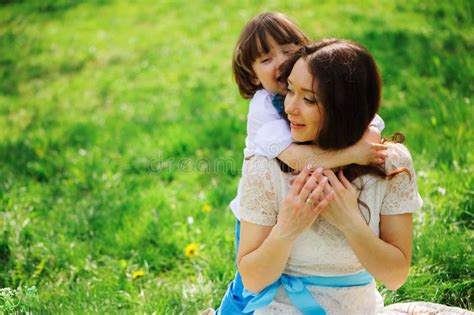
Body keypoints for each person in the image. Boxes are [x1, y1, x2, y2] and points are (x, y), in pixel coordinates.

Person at [211, 13, 388, 315]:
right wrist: (354, 154)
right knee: (251, 285)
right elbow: (295, 158)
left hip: (299, 196)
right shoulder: (263, 110)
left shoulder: (324, 88)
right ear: (253, 76)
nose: (280, 61)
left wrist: (367, 135)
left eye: (288, 47)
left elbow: (371, 123)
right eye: (266, 59)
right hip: (261, 208)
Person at [235, 39, 424, 314]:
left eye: (308, 99)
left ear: (344, 106)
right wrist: (287, 229)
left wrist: (350, 223)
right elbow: (251, 280)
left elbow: (395, 277)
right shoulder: (265, 164)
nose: (289, 108)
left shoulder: (389, 160)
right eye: (289, 91)